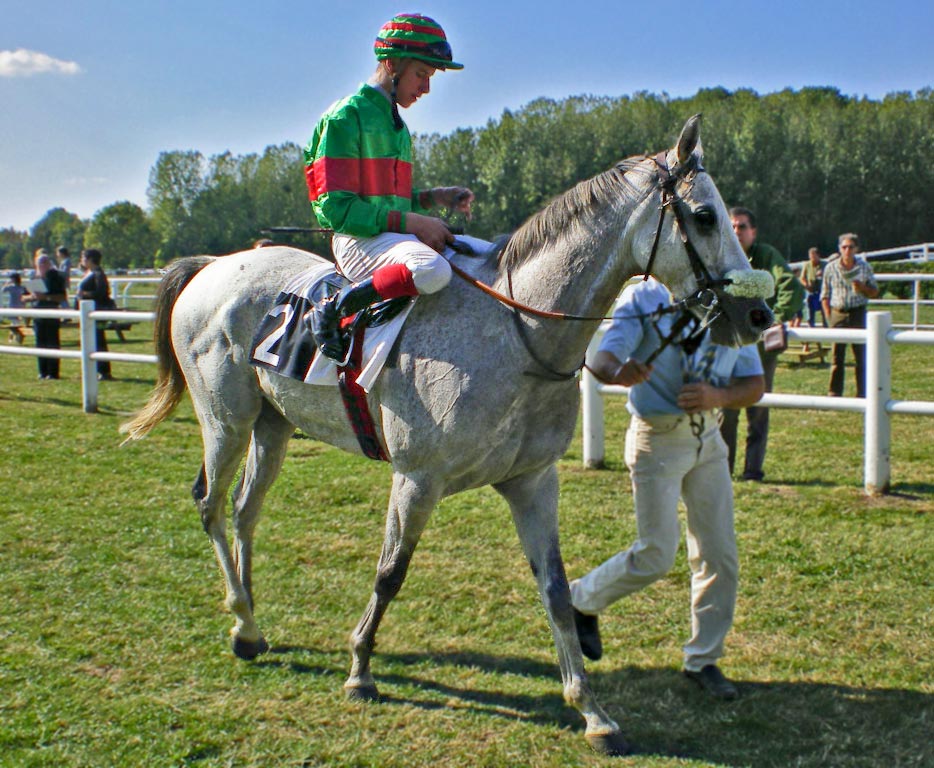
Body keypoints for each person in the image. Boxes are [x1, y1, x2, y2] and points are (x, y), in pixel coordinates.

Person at [570, 277, 765, 700]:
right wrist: (621, 374)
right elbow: (601, 359)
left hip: (709, 441)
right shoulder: (645, 298)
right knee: (657, 553)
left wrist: (717, 396)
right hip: (656, 440)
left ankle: (704, 659)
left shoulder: (732, 305)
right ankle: (580, 601)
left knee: (719, 554)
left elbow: (754, 385)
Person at [303, 13, 478, 360]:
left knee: (483, 254)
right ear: (392, 62)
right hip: (355, 242)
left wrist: (431, 199)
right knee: (432, 270)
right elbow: (338, 209)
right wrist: (415, 222)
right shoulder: (345, 117)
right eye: (421, 75)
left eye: (429, 78)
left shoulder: (397, 125)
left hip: (389, 240)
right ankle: (332, 309)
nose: (426, 88)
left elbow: (387, 203)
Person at [719, 207, 803, 481]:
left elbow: (792, 287)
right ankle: (723, 468)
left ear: (753, 231)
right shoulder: (720, 255)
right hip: (730, 343)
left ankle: (753, 470)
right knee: (726, 410)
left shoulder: (767, 255)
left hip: (759, 347)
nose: (736, 232)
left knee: (758, 409)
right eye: (732, 226)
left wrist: (773, 321)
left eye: (742, 227)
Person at [820, 233, 879, 397]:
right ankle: (834, 392)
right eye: (844, 247)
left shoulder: (864, 267)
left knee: (861, 356)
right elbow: (824, 295)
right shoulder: (830, 268)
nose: (847, 250)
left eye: (850, 247)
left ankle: (863, 392)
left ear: (856, 249)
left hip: (857, 312)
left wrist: (863, 288)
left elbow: (874, 291)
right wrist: (828, 317)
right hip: (838, 313)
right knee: (837, 357)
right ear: (839, 249)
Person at [24, 250, 67, 379]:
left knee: (52, 342)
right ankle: (42, 371)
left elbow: (61, 297)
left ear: (49, 264)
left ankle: (53, 372)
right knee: (40, 342)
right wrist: (31, 297)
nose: (42, 265)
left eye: (44, 262)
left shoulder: (56, 278)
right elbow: (23, 297)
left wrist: (45, 297)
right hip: (37, 314)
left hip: (51, 313)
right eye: (39, 263)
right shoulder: (34, 278)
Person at [76, 248, 115, 380]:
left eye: (83, 257)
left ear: (90, 259)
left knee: (99, 341)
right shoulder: (88, 272)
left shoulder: (98, 273)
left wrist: (85, 294)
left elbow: (101, 292)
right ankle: (93, 369)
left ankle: (104, 371)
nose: (81, 260)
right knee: (90, 341)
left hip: (96, 310)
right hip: (87, 311)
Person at [800, 247, 826, 328]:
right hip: (811, 291)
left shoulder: (824, 265)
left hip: (822, 291)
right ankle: (810, 326)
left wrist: (823, 274)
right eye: (810, 256)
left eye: (814, 256)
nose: (812, 258)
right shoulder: (807, 265)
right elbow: (802, 278)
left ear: (818, 255)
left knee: (824, 310)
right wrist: (806, 285)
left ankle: (826, 327)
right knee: (809, 310)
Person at [2, 272, 27, 344]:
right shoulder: (18, 287)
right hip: (16, 307)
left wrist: (7, 283)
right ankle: (15, 338)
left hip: (16, 307)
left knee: (14, 324)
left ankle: (16, 336)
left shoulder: (14, 287)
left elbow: (3, 290)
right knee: (15, 323)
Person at [56, 246, 72, 311]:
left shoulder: (66, 261)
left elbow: (65, 272)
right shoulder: (65, 261)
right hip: (63, 282)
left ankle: (67, 312)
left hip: (63, 282)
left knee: (63, 298)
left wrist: (56, 271)